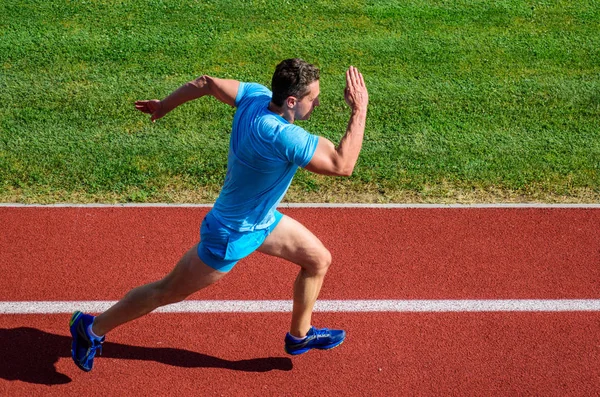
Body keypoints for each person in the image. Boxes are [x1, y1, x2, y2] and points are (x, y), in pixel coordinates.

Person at [69, 58, 368, 371]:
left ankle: (299, 335)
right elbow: (341, 165)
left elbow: (206, 82)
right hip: (230, 234)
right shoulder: (281, 136)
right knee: (165, 291)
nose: (318, 102)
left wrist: (165, 105)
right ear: (291, 101)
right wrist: (359, 109)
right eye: (312, 98)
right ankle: (90, 328)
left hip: (261, 221)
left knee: (318, 260)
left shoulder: (255, 97)